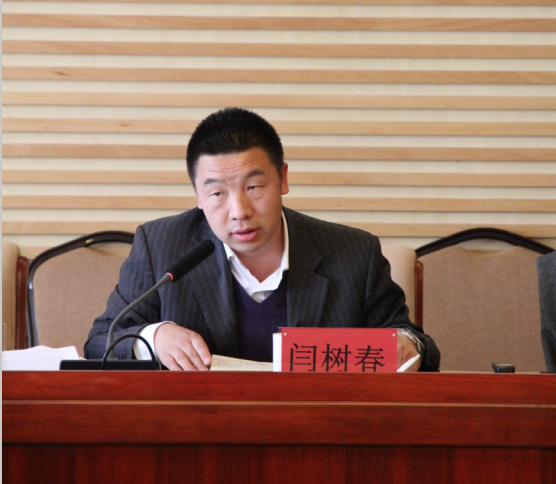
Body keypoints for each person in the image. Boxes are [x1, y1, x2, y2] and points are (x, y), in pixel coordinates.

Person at [85, 108, 440, 372]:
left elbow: (418, 345)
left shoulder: (353, 253)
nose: (239, 211)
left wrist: (405, 344)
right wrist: (154, 336)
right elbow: (100, 343)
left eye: (254, 187)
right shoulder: (161, 245)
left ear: (283, 179)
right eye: (217, 193)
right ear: (197, 194)